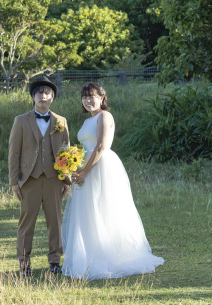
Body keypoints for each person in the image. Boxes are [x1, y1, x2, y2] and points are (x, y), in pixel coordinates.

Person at [62, 82, 164, 279]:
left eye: (91, 96)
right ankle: (91, 254)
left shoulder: (104, 116)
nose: (87, 100)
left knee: (105, 208)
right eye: (84, 97)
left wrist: (84, 171)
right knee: (88, 211)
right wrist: (74, 165)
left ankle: (110, 256)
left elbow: (100, 146)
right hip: (86, 165)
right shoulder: (87, 121)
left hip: (100, 166)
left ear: (102, 97)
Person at [8, 77, 71, 276]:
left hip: (53, 179)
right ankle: (24, 263)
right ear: (33, 97)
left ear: (52, 97)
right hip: (29, 180)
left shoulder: (61, 121)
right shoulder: (21, 120)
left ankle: (55, 262)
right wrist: (14, 182)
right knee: (27, 224)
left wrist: (66, 178)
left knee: (55, 222)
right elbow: (14, 153)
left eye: (46, 93)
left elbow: (65, 151)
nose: (42, 96)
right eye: (38, 93)